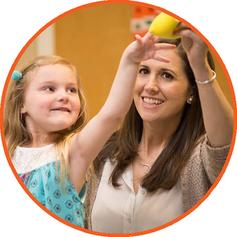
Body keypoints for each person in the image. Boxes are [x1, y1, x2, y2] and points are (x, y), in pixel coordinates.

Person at [3, 33, 174, 227]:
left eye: (71, 89)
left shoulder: (74, 151)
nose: (64, 96)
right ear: (21, 104)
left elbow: (112, 115)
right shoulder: (10, 152)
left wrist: (130, 61)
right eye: (49, 89)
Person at [85, 25, 233, 233]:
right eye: (144, 71)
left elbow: (226, 146)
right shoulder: (106, 153)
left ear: (191, 91)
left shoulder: (199, 159)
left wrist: (199, 64)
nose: (151, 86)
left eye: (166, 75)